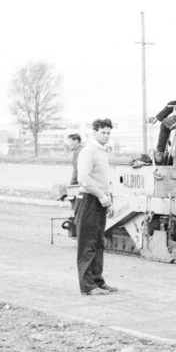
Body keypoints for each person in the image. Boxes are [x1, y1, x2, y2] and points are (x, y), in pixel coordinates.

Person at [75, 118, 118, 295]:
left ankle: (97, 281)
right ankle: (87, 286)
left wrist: (107, 197)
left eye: (108, 133)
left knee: (98, 242)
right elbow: (83, 178)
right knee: (87, 243)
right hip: (89, 200)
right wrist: (101, 195)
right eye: (103, 132)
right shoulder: (88, 151)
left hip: (100, 200)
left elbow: (101, 178)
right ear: (94, 132)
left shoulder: (102, 151)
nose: (106, 136)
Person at [64, 133, 83, 238]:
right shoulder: (83, 150)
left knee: (76, 205)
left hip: (81, 183)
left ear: (76, 141)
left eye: (70, 142)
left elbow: (77, 170)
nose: (69, 145)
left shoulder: (79, 152)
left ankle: (79, 228)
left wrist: (71, 186)